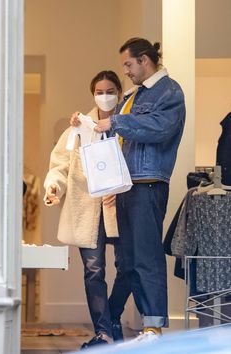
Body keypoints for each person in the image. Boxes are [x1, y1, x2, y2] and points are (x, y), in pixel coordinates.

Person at [95, 38, 186, 342]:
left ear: (145, 60)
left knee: (147, 257)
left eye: (129, 64)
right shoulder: (134, 95)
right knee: (130, 260)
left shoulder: (169, 91)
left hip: (147, 185)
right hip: (127, 186)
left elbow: (160, 128)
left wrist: (117, 122)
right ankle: (149, 325)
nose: (127, 71)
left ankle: (154, 327)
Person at [44, 70, 131, 349]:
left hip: (121, 208)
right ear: (92, 94)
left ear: (119, 90)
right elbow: (60, 164)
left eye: (110, 90)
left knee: (129, 266)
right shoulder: (79, 128)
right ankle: (104, 332)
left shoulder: (128, 124)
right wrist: (54, 186)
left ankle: (113, 316)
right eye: (99, 91)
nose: (104, 96)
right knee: (94, 271)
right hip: (88, 210)